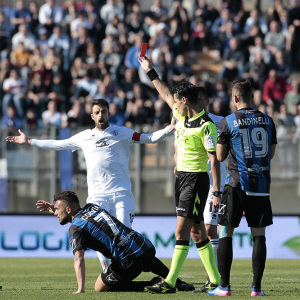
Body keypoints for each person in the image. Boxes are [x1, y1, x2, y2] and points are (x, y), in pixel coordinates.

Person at [6, 98, 175, 273]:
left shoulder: (122, 132)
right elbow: (58, 145)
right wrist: (30, 141)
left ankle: (138, 272)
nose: (101, 115)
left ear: (109, 113)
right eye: (97, 112)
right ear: (92, 116)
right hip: (97, 197)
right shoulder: (84, 136)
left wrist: (169, 128)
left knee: (124, 237)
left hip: (121, 194)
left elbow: (149, 138)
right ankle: (107, 270)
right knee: (99, 236)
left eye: (103, 111)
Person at [139, 56, 221, 294]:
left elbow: (214, 161)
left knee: (180, 231)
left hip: (195, 180)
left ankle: (170, 282)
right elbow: (164, 93)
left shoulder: (206, 125)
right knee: (197, 232)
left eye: (176, 101)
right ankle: (215, 280)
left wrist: (216, 191)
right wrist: (150, 70)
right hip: (182, 178)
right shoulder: (182, 114)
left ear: (185, 100)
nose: (173, 104)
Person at [36, 190, 194, 293]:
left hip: (129, 261)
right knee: (144, 256)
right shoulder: (92, 207)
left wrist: (80, 289)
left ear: (68, 209)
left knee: (99, 287)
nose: (55, 212)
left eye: (57, 210)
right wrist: (55, 208)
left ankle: (151, 284)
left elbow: (79, 258)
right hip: (146, 246)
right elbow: (77, 217)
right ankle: (177, 282)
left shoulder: (76, 229)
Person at [208, 79, 277, 296]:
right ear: (253, 96)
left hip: (236, 184)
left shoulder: (228, 121)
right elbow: (271, 154)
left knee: (226, 232)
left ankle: (224, 287)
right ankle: (256, 288)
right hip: (261, 186)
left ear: (235, 98)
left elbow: (219, 156)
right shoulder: (267, 120)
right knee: (259, 235)